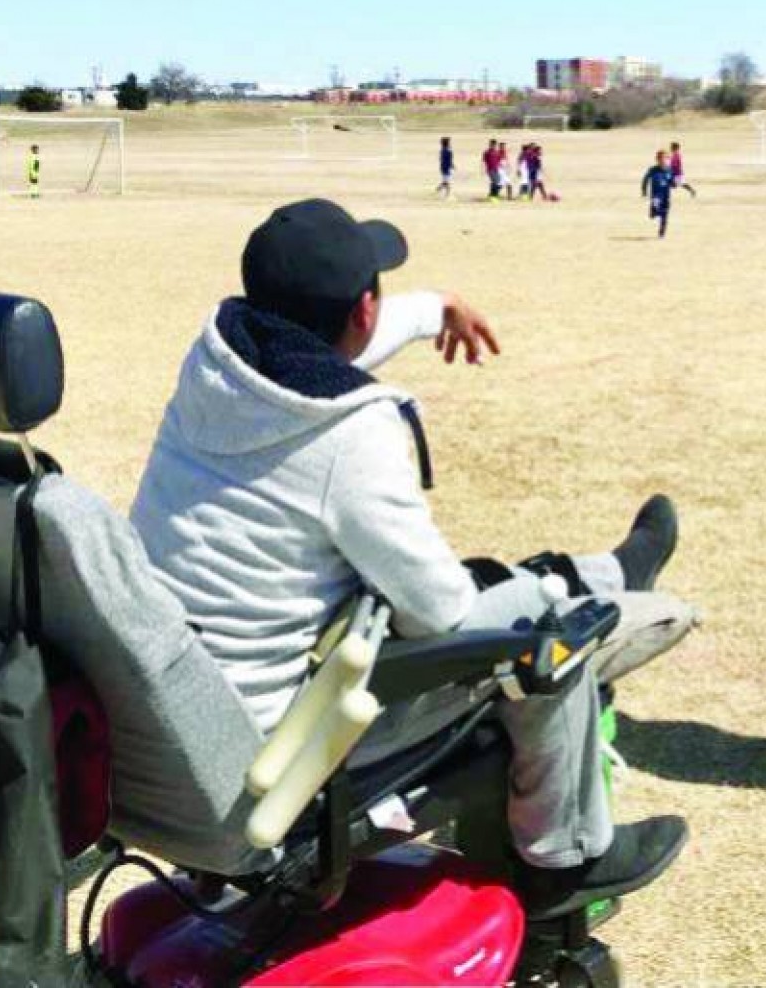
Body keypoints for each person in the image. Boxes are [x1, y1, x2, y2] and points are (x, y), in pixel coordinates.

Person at [130, 198, 689, 914]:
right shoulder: (353, 439)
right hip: (280, 750)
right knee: (543, 628)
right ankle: (568, 858)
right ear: (363, 309)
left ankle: (611, 570)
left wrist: (436, 309)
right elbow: (438, 613)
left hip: (179, 730)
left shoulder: (215, 359)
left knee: (491, 587)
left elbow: (320, 345)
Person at [641, 149, 676, 238]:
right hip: (656, 195)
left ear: (667, 159)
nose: (662, 160)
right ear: (657, 159)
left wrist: (674, 184)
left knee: (665, 214)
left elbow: (672, 183)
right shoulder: (653, 170)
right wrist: (644, 190)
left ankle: (662, 233)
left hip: (666, 196)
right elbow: (645, 179)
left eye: (665, 158)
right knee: (655, 210)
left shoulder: (669, 170)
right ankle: (653, 212)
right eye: (660, 158)